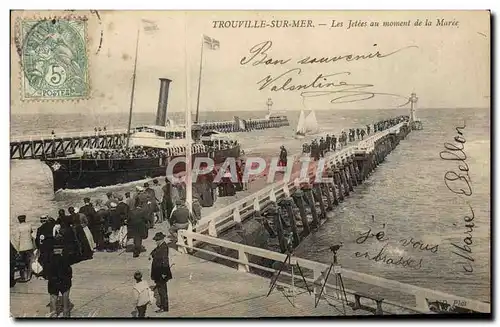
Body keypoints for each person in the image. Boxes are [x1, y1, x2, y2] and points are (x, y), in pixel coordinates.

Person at [150, 232, 172, 313]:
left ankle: (164, 307)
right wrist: (151, 254)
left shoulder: (164, 248)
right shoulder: (160, 246)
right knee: (160, 290)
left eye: (157, 240)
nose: (156, 242)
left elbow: (165, 261)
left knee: (162, 291)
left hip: (161, 273)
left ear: (161, 239)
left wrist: (164, 273)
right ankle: (163, 306)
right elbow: (155, 250)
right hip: (158, 272)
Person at [12, 215, 35, 282]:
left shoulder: (18, 228)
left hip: (22, 248)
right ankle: (28, 276)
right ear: (25, 219)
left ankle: (23, 277)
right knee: (29, 262)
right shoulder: (29, 225)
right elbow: (31, 233)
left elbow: (17, 239)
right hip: (30, 247)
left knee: (22, 263)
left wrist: (17, 249)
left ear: (19, 220)